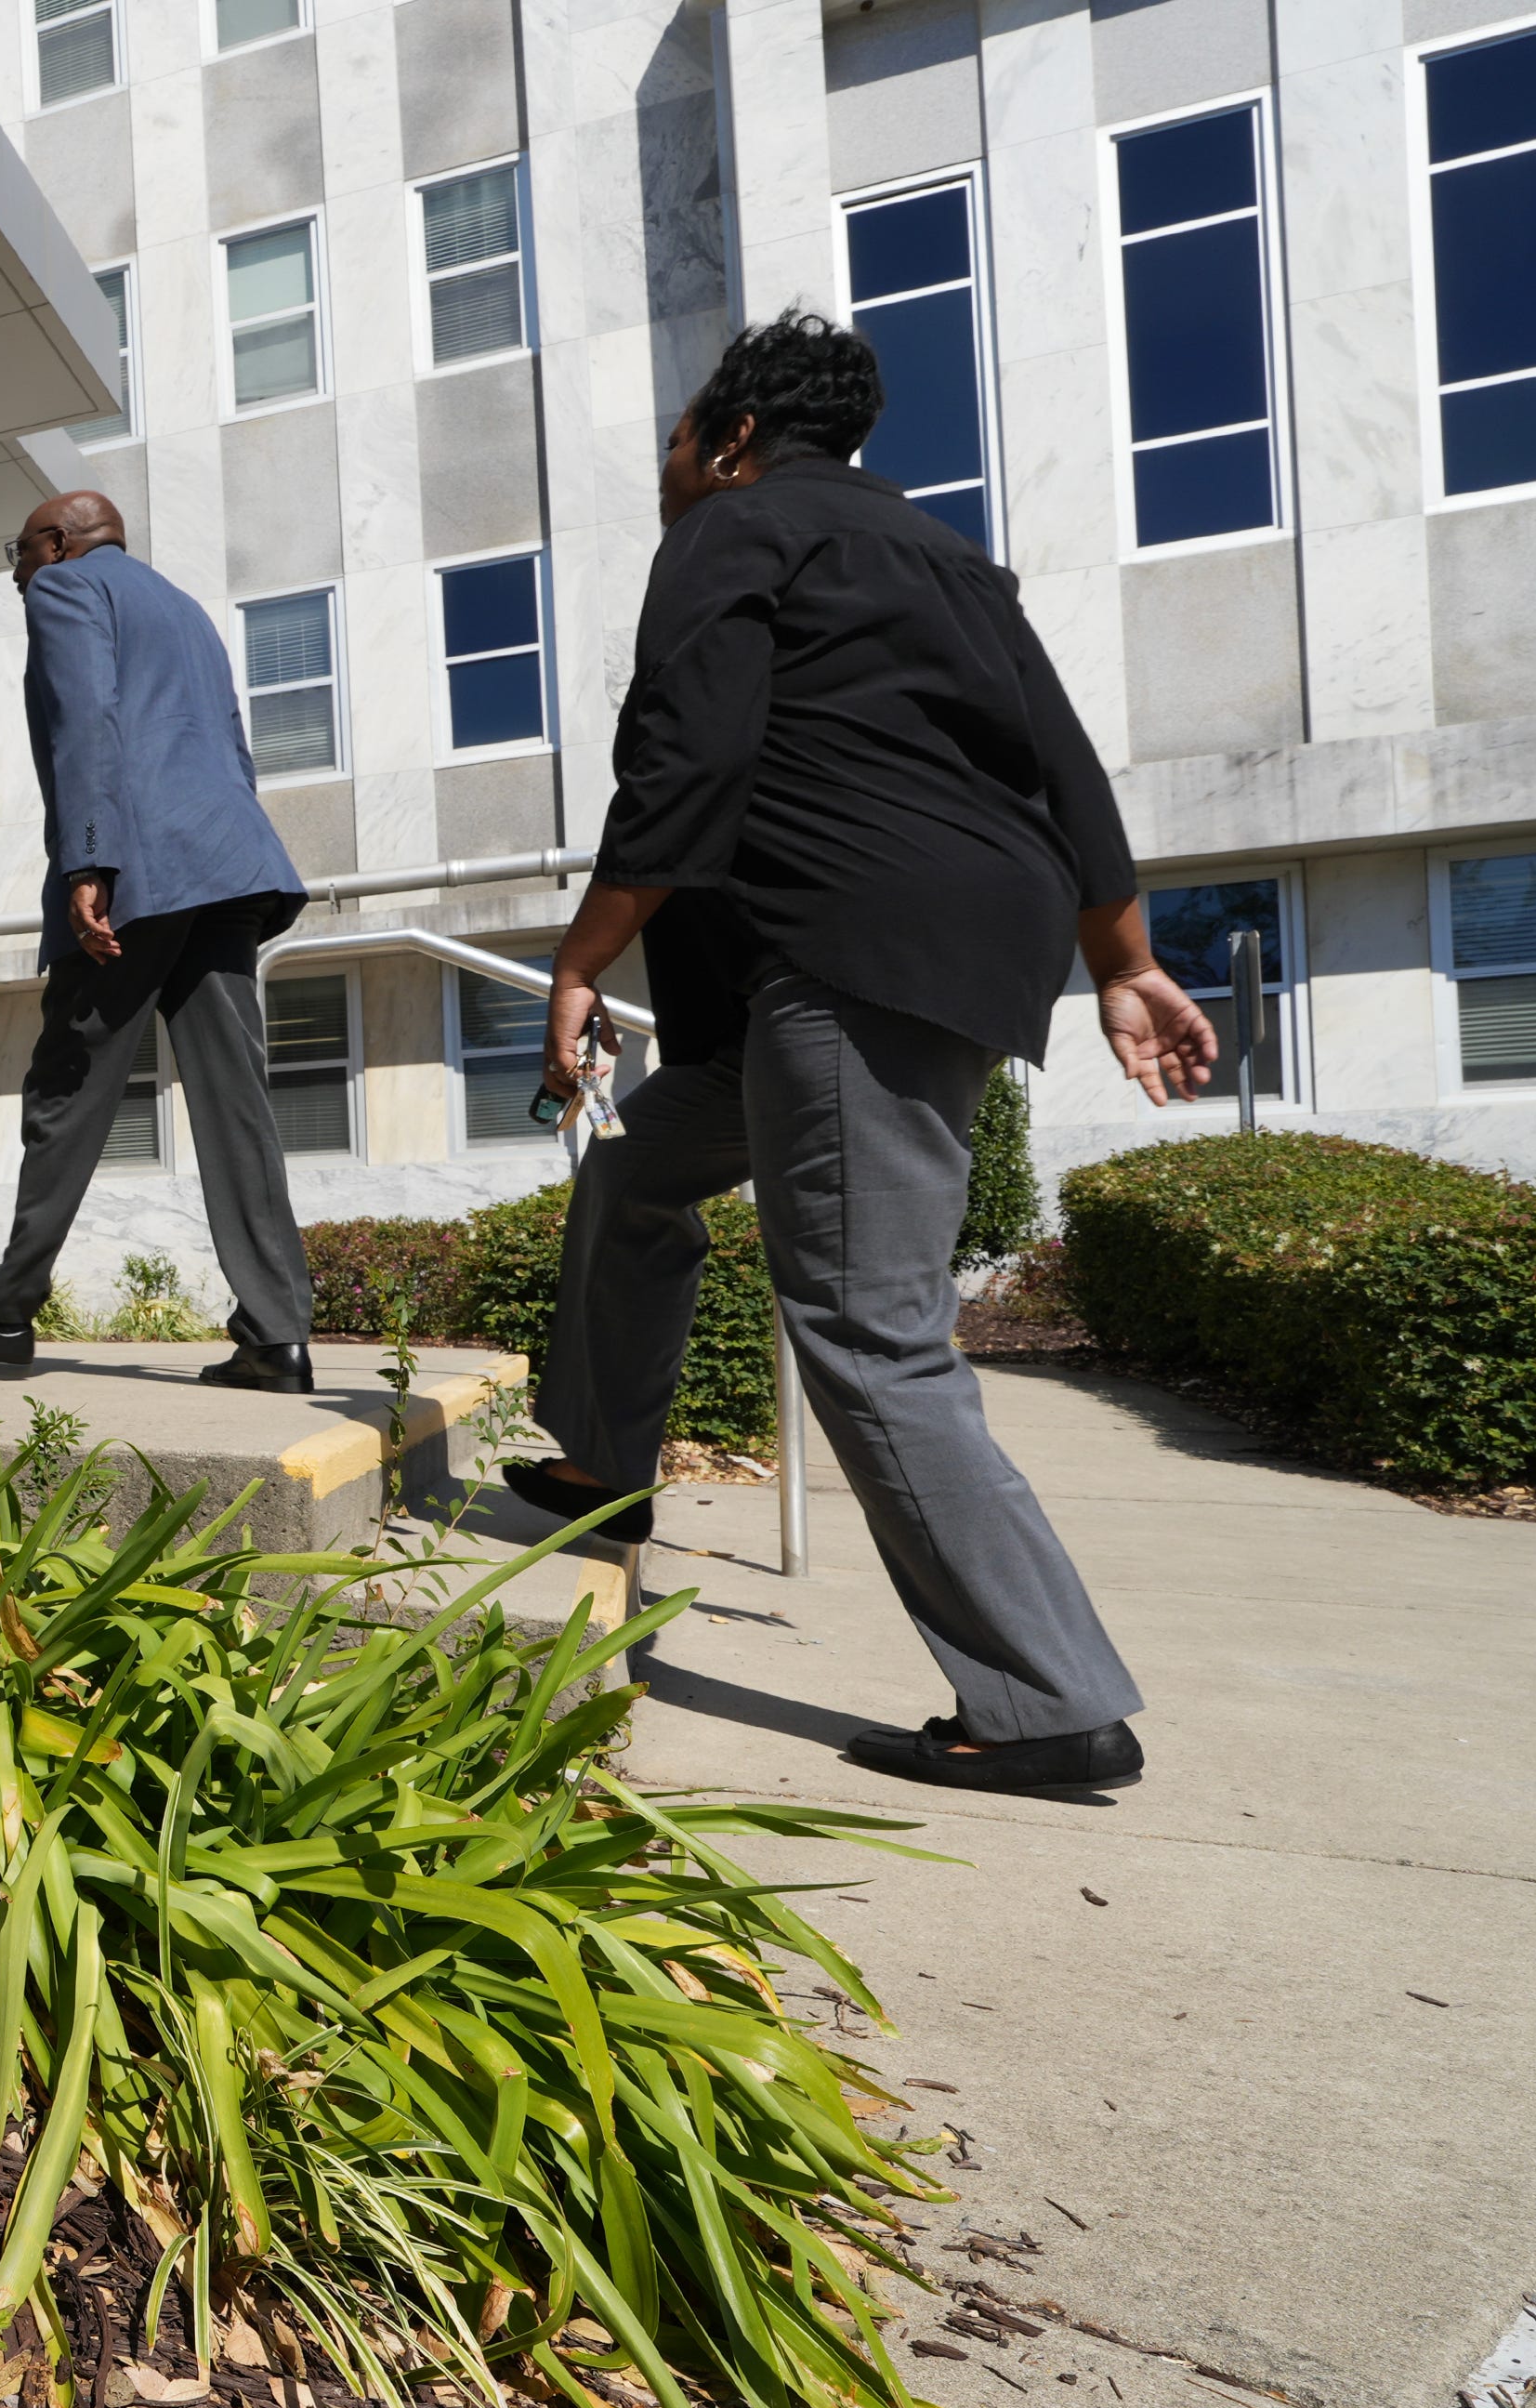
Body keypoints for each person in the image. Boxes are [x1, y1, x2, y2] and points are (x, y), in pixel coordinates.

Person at [507, 310, 1219, 1793]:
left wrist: (581, 960)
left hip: (849, 961)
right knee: (636, 1175)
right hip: (895, 965)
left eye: (680, 435)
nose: (668, 462)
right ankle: (599, 1465)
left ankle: (1043, 1697)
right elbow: (1064, 766)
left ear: (733, 439)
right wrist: (1124, 957)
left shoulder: (731, 528)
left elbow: (684, 764)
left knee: (868, 1324)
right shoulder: (949, 559)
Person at [0, 493, 317, 1386]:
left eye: (20, 551)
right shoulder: (184, 611)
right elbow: (229, 745)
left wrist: (89, 862)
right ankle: (276, 1333)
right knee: (236, 1103)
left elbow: (85, 719)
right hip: (230, 865)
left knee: (69, 1085)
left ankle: (7, 1322)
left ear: (58, 544)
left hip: (142, 869)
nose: (17, 571)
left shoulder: (67, 593)